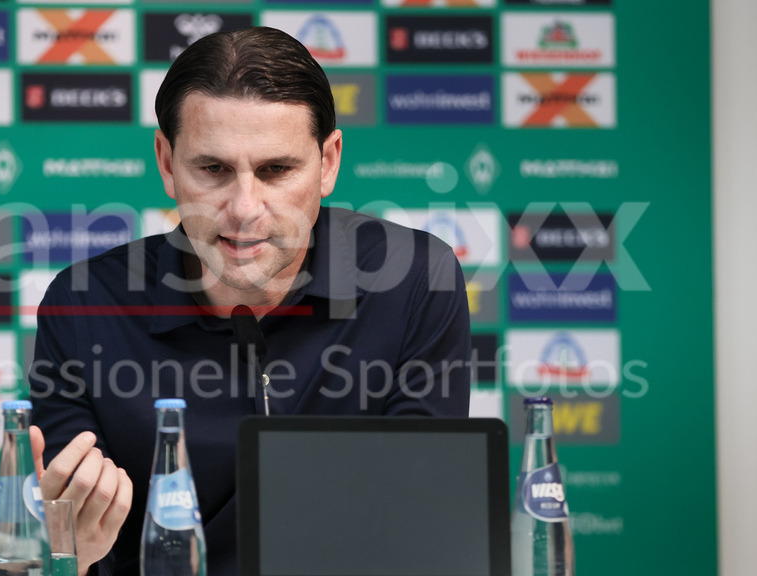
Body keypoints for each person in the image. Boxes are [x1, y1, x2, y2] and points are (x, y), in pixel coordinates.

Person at [28, 26, 472, 576]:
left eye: (276, 170)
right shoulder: (83, 305)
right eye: (213, 169)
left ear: (329, 162)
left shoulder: (416, 281)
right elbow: (69, 544)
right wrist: (69, 554)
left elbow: (420, 528)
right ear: (166, 162)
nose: (244, 209)